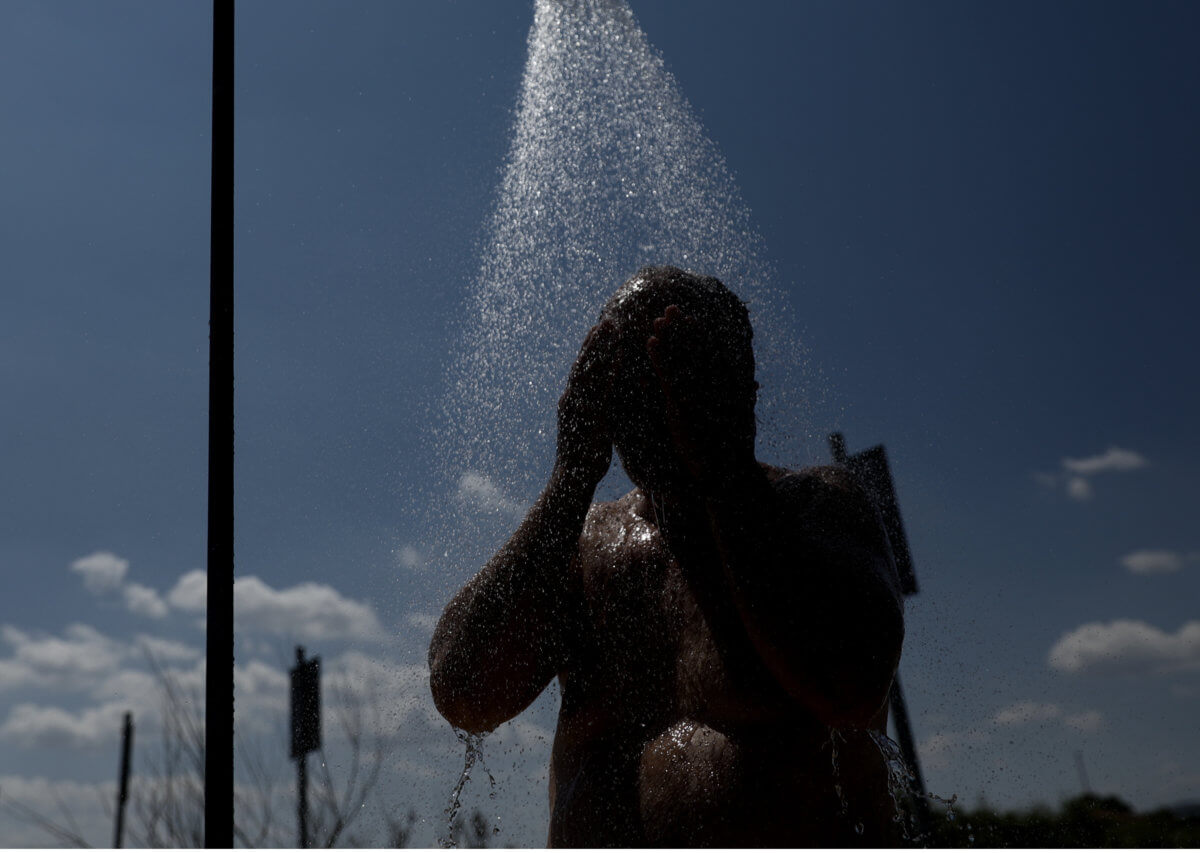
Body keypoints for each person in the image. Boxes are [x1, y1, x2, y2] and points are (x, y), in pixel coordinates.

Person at [429, 266, 906, 846]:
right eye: (627, 372)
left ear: (741, 387)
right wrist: (570, 477)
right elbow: (463, 693)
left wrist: (724, 473)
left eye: (679, 366)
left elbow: (851, 685)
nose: (656, 395)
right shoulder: (580, 552)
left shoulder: (819, 507)